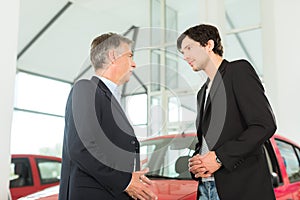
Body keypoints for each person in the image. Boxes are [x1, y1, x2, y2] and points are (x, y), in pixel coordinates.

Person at [177, 24, 277, 200]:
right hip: (206, 188)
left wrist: (219, 158)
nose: (185, 56)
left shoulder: (237, 71)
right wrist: (197, 160)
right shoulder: (202, 92)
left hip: (240, 189)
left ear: (209, 45)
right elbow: (208, 140)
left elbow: (264, 125)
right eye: (182, 52)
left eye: (189, 48)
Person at [59, 33, 158, 200]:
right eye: (130, 56)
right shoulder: (85, 89)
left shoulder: (110, 98)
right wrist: (126, 181)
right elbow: (81, 148)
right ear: (113, 56)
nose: (134, 64)